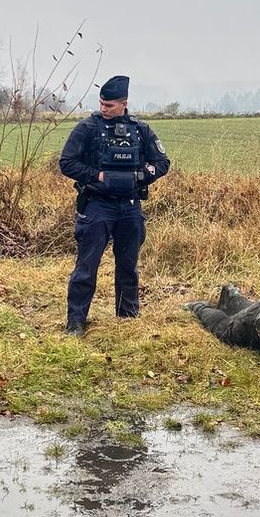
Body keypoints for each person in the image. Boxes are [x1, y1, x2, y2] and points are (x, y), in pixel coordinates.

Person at [59, 75, 171, 337]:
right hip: (97, 206)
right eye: (101, 103)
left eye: (109, 105)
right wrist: (97, 176)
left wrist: (141, 176)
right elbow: (67, 163)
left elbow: (162, 163)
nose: (103, 108)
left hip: (130, 207)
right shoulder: (87, 128)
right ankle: (76, 323)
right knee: (86, 268)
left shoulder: (140, 130)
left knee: (128, 266)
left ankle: (127, 318)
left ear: (124, 104)